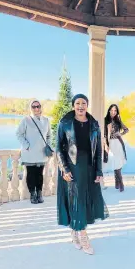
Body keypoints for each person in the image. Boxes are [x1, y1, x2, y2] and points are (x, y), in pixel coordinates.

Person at [56, 94, 109, 255]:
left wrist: (99, 170)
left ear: (87, 105)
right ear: (73, 105)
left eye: (83, 103)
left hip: (89, 167)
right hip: (72, 167)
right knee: (77, 199)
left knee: (85, 199)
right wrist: (64, 169)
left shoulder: (94, 124)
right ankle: (83, 235)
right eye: (77, 103)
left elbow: (98, 149)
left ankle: (75, 230)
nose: (80, 106)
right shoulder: (64, 123)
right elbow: (59, 148)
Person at [16, 99, 51, 204]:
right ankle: (32, 194)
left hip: (41, 152)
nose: (36, 108)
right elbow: (19, 134)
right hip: (30, 152)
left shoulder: (46, 120)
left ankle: (39, 193)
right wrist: (27, 146)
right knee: (31, 174)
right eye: (34, 106)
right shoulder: (26, 120)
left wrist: (48, 145)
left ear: (41, 107)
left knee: (40, 174)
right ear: (30, 108)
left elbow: (49, 135)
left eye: (38, 106)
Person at [103, 104, 129, 192]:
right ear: (109, 110)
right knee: (114, 161)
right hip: (110, 143)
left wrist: (120, 134)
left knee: (118, 162)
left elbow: (126, 129)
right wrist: (105, 145)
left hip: (118, 143)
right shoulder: (105, 120)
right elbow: (104, 135)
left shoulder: (118, 120)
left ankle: (118, 182)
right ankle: (120, 182)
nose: (113, 112)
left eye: (115, 111)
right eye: (112, 110)